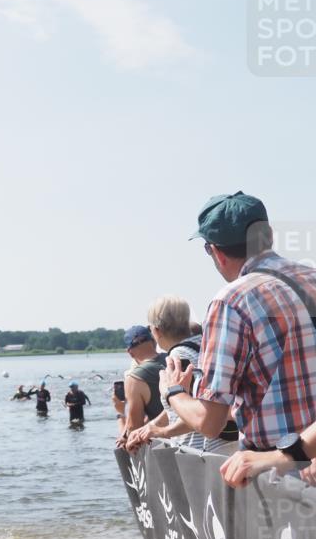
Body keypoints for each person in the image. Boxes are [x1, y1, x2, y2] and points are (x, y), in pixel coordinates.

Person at [161, 192, 316, 465]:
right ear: (268, 235)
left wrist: (174, 392)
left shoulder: (231, 301)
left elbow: (210, 422)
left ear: (216, 253)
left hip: (276, 472)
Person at [126, 297, 237, 454]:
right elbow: (181, 405)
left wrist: (161, 432)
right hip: (226, 446)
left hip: (199, 452)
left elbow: (203, 412)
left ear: (157, 330)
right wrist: (149, 427)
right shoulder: (203, 344)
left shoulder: (178, 358)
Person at [114, 325, 167, 447]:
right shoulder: (173, 357)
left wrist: (120, 413)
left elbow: (133, 429)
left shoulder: (134, 378)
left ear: (130, 353)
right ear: (154, 342)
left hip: (164, 448)